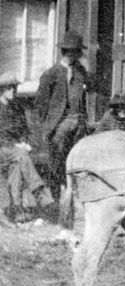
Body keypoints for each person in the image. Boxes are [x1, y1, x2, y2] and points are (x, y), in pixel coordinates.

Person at [36, 31, 92, 197]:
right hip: (59, 123)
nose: (80, 55)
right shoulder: (51, 74)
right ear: (69, 52)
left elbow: (90, 87)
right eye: (77, 51)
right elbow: (41, 104)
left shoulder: (80, 72)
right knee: (58, 156)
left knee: (79, 154)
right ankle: (56, 193)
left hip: (78, 120)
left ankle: (74, 193)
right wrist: (49, 124)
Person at [0, 72, 54, 221]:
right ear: (2, 89)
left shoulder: (17, 108)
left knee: (17, 165)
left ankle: (16, 209)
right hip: (2, 148)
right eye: (9, 88)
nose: (13, 91)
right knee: (21, 155)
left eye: (15, 88)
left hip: (14, 151)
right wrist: (16, 145)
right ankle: (43, 198)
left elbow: (24, 130)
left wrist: (24, 142)